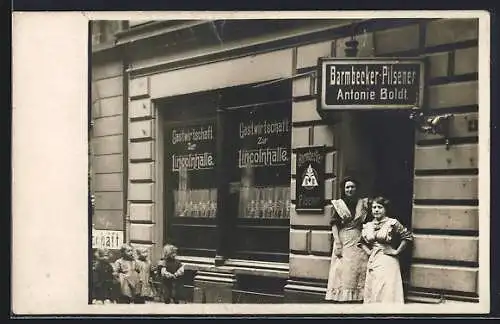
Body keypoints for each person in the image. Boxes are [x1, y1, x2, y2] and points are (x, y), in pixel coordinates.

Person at [359, 196, 414, 304]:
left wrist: (396, 251)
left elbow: (407, 237)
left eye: (380, 207)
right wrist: (369, 252)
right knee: (374, 288)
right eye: (374, 207)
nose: (376, 210)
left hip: (388, 260)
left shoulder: (392, 223)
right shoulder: (368, 225)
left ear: (385, 209)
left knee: (386, 289)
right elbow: (360, 242)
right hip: (373, 260)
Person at [325, 177, 370, 303]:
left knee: (358, 267)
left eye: (352, 187)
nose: (350, 189)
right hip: (343, 239)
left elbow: (367, 222)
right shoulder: (340, 205)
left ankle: (358, 296)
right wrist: (337, 242)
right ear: (344, 190)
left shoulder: (363, 204)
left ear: (357, 189)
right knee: (344, 269)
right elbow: (334, 224)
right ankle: (344, 296)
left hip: (358, 238)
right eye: (347, 187)